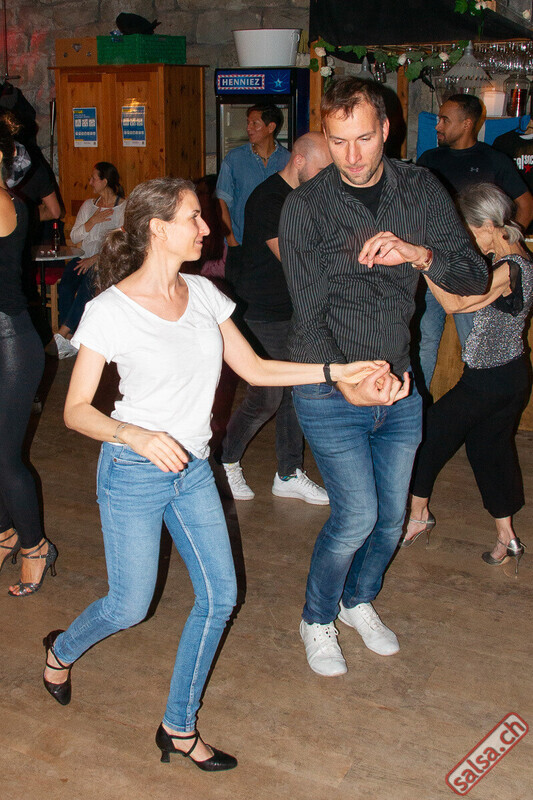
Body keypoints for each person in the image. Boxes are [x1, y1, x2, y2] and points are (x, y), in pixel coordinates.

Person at [41, 176, 389, 769]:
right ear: (158, 229)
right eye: (194, 218)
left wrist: (338, 371)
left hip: (194, 469)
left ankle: (178, 727)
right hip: (133, 470)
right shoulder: (110, 310)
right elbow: (75, 411)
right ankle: (61, 650)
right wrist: (136, 434)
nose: (209, 227)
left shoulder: (204, 293)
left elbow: (256, 368)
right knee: (129, 606)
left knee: (220, 596)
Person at [279, 77, 488, 677]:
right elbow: (309, 316)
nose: (351, 155)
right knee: (356, 517)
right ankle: (317, 618)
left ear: (386, 130)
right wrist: (347, 382)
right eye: (338, 140)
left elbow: (473, 276)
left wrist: (419, 253)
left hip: (398, 385)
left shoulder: (419, 189)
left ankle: (357, 601)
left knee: (392, 520)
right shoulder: (305, 208)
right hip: (327, 385)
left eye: (364, 139)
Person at [403, 183, 532, 574]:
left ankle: (418, 515)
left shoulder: (511, 268)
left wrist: (423, 262)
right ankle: (507, 536)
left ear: (490, 225)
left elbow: (454, 305)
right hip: (510, 376)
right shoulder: (516, 259)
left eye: (471, 232)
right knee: (489, 451)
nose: (470, 241)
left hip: (488, 382)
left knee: (427, 436)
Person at [221, 132, 333, 503]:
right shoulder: (269, 199)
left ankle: (288, 473)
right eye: (322, 170)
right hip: (261, 312)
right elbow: (296, 262)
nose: (326, 179)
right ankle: (225, 461)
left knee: (296, 392)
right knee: (267, 396)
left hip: (293, 310)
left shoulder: (311, 197)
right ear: (299, 160)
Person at [415, 94, 533, 392]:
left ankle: (477, 399)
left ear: (467, 123)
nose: (438, 126)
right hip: (435, 263)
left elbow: (526, 204)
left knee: (474, 342)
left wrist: (503, 245)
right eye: (438, 119)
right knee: (425, 342)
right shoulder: (429, 159)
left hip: (474, 270)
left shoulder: (493, 159)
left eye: (445, 120)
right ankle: (419, 408)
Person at [0, 113, 57, 597]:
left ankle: (36, 546)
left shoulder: (5, 202)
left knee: (5, 458)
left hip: (10, 344)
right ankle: (5, 533)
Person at [52, 162, 126, 358]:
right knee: (66, 285)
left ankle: (63, 333)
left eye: (94, 178)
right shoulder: (88, 206)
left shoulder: (123, 207)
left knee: (89, 282)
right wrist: (92, 221)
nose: (90, 182)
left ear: (105, 181)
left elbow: (121, 244)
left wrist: (96, 258)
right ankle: (70, 339)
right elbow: (75, 236)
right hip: (83, 256)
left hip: (107, 262)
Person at [215, 104, 290, 291]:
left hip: (277, 249)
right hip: (241, 247)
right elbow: (221, 202)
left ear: (271, 127)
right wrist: (232, 242)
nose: (248, 128)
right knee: (238, 299)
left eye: (254, 123)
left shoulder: (288, 160)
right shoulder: (234, 159)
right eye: (248, 123)